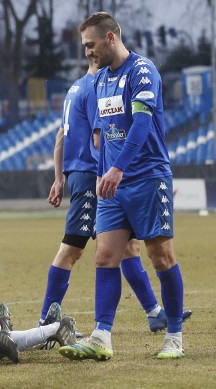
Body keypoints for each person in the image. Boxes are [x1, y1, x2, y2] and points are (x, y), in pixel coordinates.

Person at [59, 12, 186, 361]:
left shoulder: (143, 71)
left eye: (90, 44)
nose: (87, 52)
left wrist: (116, 168)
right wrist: (103, 171)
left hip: (147, 178)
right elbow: (102, 137)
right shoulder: (100, 81)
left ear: (111, 38)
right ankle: (102, 336)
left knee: (160, 257)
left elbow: (141, 125)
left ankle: (174, 336)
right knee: (104, 256)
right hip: (113, 183)